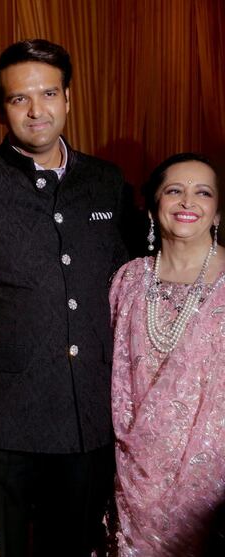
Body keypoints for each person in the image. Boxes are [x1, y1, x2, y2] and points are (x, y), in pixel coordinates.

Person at [0, 39, 129, 556]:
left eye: (48, 94)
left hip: (89, 420)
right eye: (20, 99)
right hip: (3, 426)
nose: (37, 110)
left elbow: (135, 287)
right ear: (1, 109)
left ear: (68, 98)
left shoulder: (108, 184)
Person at [110, 153, 225, 554]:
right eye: (174, 190)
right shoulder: (129, 280)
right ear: (154, 205)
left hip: (212, 485)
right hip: (133, 475)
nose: (187, 201)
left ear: (216, 213)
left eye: (202, 192)